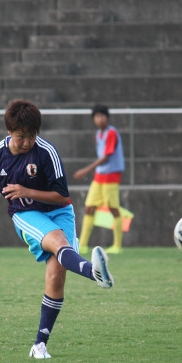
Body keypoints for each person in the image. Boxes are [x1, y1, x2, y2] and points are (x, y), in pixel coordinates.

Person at [0, 99, 114, 359]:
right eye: (21, 136)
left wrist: (27, 190)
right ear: (9, 132)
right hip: (25, 213)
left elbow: (63, 197)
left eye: (32, 136)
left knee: (56, 275)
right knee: (59, 242)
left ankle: (39, 345)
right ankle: (95, 273)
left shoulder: (46, 152)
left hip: (59, 211)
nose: (27, 142)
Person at [74, 104, 125, 255]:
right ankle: (82, 245)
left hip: (111, 176)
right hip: (99, 176)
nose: (100, 119)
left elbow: (106, 156)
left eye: (102, 116)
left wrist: (85, 170)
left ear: (107, 118)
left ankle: (118, 245)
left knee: (113, 209)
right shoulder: (99, 134)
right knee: (89, 207)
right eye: (97, 117)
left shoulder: (111, 133)